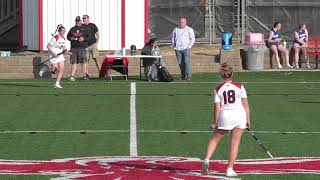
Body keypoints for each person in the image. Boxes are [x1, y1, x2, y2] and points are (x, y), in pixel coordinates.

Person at [202, 63, 250, 177]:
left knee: (214, 140)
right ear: (232, 74)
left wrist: (215, 122)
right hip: (239, 116)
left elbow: (217, 108)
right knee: (235, 143)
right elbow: (246, 105)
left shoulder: (217, 89)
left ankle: (207, 160)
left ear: (221, 75)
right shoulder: (240, 86)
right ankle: (229, 169)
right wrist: (248, 120)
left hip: (225, 116)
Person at [67, 16, 90, 81]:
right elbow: (68, 37)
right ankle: (72, 76)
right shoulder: (72, 29)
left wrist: (84, 38)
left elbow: (89, 37)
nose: (77, 22)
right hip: (74, 48)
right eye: (76, 21)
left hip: (82, 47)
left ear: (81, 21)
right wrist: (71, 38)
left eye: (78, 21)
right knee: (73, 62)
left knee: (83, 62)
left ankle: (85, 75)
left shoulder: (85, 28)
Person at [82, 15, 100, 79]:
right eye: (83, 18)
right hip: (86, 46)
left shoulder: (93, 25)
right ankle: (86, 74)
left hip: (93, 45)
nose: (84, 19)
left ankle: (100, 73)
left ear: (88, 18)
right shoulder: (82, 26)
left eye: (85, 18)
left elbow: (98, 34)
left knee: (96, 59)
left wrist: (96, 43)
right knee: (86, 60)